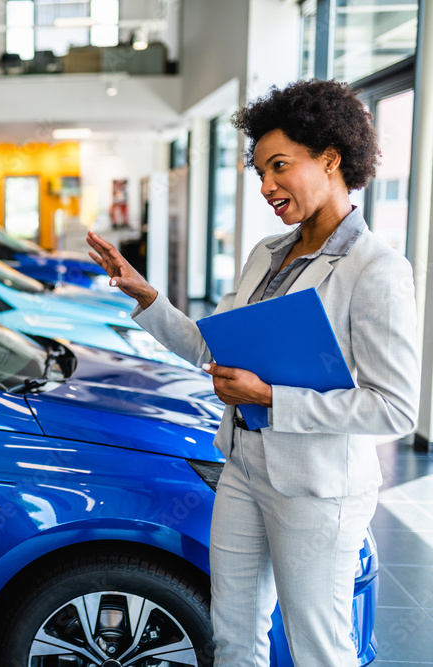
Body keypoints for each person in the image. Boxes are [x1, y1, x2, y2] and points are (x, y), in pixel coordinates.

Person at [86, 78, 419, 666]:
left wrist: (269, 396)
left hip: (316, 488)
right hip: (242, 464)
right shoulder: (266, 253)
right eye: (260, 171)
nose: (266, 186)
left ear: (331, 158)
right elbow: (211, 348)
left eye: (279, 166)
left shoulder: (376, 269)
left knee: (319, 647)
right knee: (234, 634)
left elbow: (394, 408)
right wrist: (145, 296)